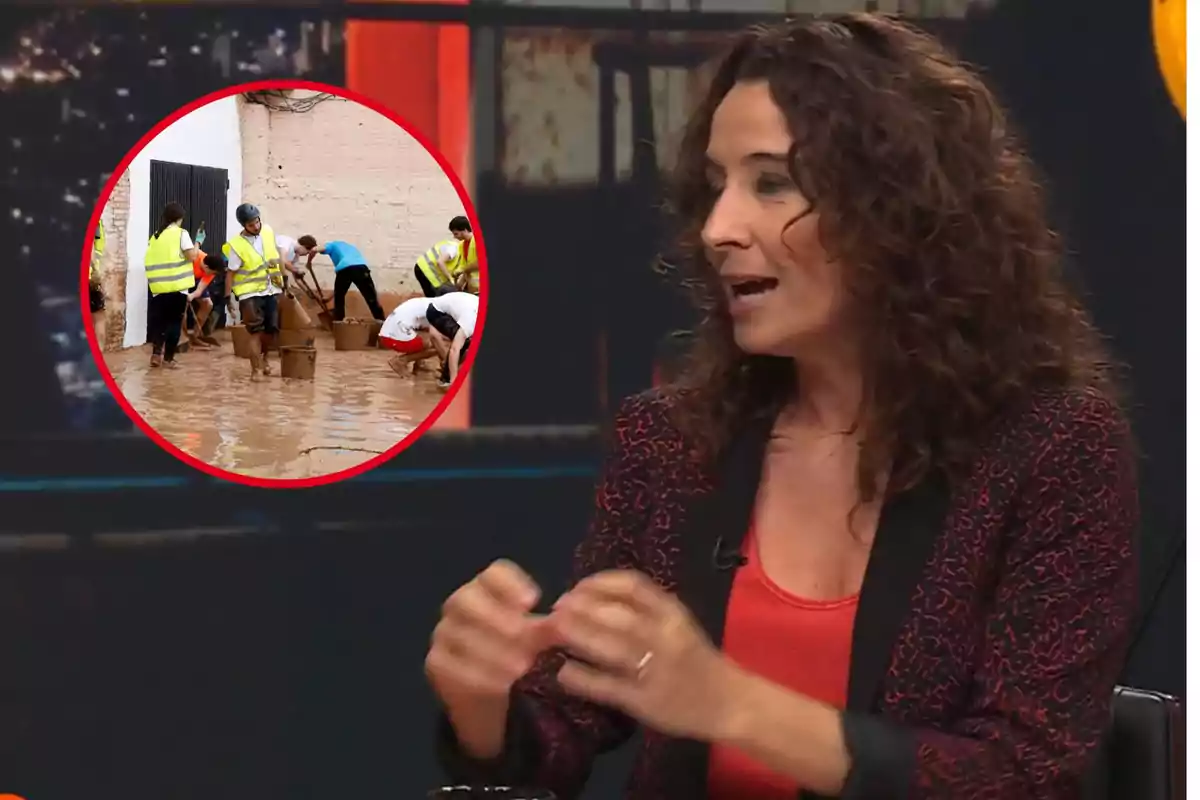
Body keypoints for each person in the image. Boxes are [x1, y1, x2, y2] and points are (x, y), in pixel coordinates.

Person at [426, 14, 1138, 800]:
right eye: (714, 186)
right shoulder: (672, 441)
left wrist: (730, 702)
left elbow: (1025, 777)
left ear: (898, 207)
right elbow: (563, 733)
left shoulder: (1050, 448)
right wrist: (482, 700)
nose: (717, 229)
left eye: (772, 182)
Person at [223, 202, 284, 379]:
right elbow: (230, 273)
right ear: (244, 225)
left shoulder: (268, 231)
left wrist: (284, 279)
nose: (256, 226)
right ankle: (255, 370)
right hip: (249, 294)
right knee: (255, 332)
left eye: (257, 222)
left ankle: (265, 360)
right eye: (251, 225)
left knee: (271, 331)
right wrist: (228, 298)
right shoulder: (236, 245)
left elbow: (276, 256)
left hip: (272, 289)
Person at [144, 202, 198, 368]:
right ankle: (168, 359)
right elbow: (192, 257)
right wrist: (199, 243)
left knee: (159, 322)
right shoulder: (182, 234)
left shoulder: (155, 236)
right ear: (180, 218)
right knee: (174, 323)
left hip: (158, 287)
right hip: (177, 287)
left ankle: (155, 355)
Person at [296, 234, 385, 322]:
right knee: (371, 298)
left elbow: (314, 249)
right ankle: (382, 323)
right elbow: (341, 286)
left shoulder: (331, 245)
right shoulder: (350, 249)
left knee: (339, 299)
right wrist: (329, 298)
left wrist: (309, 263)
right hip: (361, 268)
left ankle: (339, 323)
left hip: (345, 269)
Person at [424, 291, 477, 388]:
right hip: (436, 311)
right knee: (463, 342)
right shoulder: (470, 322)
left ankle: (448, 366)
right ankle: (447, 380)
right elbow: (454, 349)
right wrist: (454, 380)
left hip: (456, 304)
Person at [378, 295, 438, 377]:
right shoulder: (437, 311)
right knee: (439, 346)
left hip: (386, 334)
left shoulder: (427, 302)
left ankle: (419, 365)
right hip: (393, 338)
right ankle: (401, 361)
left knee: (427, 337)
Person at [185, 251, 227, 348]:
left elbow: (200, 290)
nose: (213, 275)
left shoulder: (210, 272)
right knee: (183, 306)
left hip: (197, 280)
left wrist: (191, 296)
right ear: (207, 267)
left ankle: (195, 335)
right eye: (213, 273)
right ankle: (184, 337)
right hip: (184, 276)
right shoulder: (195, 257)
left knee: (208, 304)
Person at [448, 215, 480, 294]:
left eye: (456, 234)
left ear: (465, 230)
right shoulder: (462, 245)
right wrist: (460, 281)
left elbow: (481, 262)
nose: (455, 237)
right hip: (472, 287)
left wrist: (462, 271)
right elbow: (465, 265)